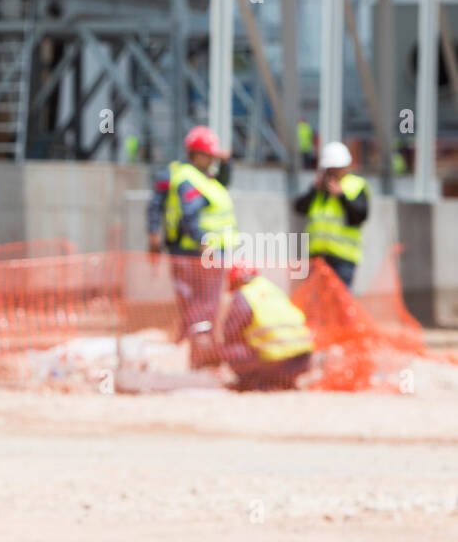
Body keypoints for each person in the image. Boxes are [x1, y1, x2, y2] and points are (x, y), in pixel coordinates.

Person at [146, 125, 238, 368]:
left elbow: (223, 181)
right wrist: (203, 243)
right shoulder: (190, 179)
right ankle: (196, 355)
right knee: (200, 305)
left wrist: (225, 163)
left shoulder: (205, 178)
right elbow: (189, 217)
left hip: (204, 252)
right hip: (196, 253)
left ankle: (195, 351)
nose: (212, 161)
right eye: (209, 156)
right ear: (195, 154)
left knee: (203, 305)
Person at [214, 263, 313, 391]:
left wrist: (215, 353)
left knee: (231, 348)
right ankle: (281, 380)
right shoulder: (272, 288)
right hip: (302, 360)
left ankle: (253, 381)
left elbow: (230, 333)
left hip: (275, 362)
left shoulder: (244, 294)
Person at [293, 141, 369, 290]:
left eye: (336, 169)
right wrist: (314, 190)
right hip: (317, 258)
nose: (333, 172)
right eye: (330, 169)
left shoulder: (355, 186)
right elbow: (299, 207)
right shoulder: (320, 189)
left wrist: (341, 196)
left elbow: (360, 215)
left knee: (338, 306)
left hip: (343, 260)